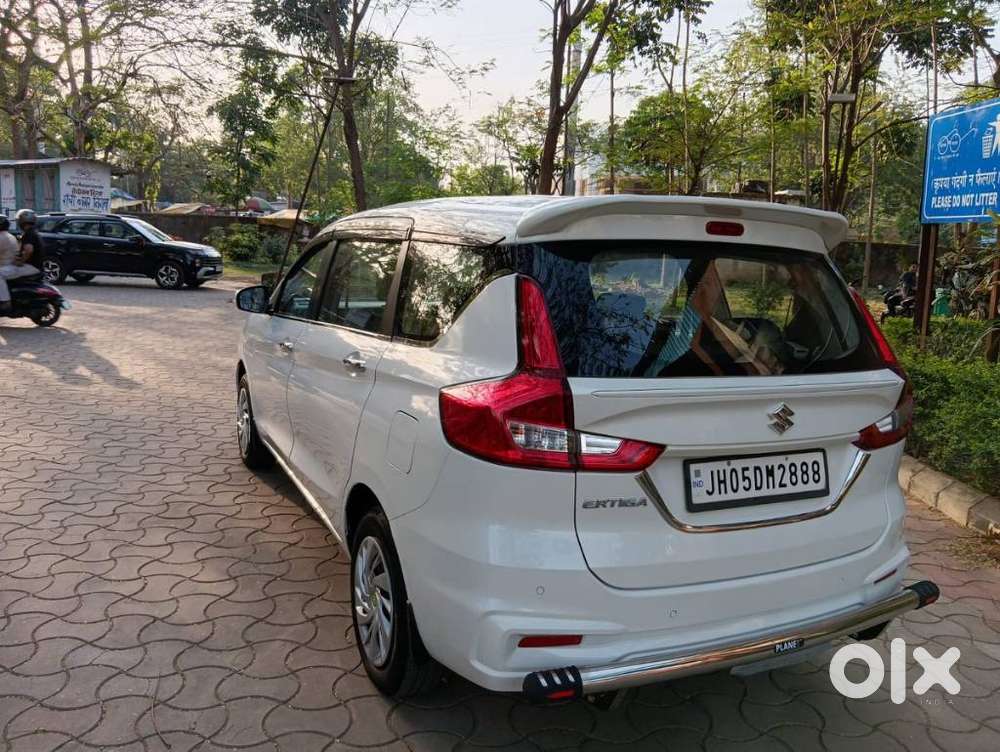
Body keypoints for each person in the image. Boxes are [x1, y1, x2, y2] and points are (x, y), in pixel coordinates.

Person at [0, 214, 35, 314]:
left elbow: (28, 250)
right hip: (9, 263)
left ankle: (5, 301)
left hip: (5, 265)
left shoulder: (2, 237)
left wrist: (21, 261)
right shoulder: (10, 236)